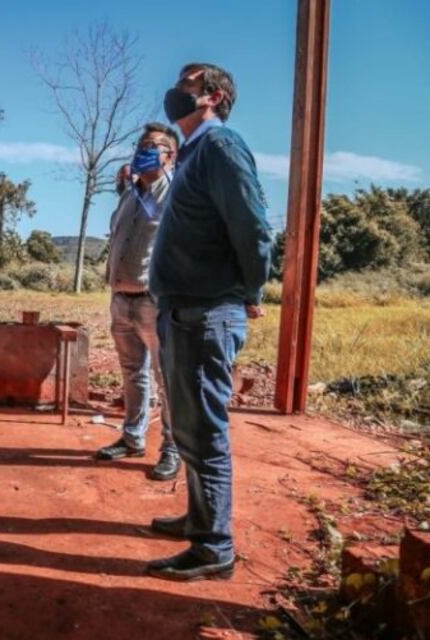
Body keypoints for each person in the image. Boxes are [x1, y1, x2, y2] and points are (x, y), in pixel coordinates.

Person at [144, 63, 272, 581]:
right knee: (191, 428)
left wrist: (250, 290)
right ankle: (200, 520)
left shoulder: (220, 148)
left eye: (188, 85)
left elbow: (253, 226)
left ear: (213, 97)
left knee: (204, 431)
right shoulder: (195, 151)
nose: (175, 92)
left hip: (205, 312)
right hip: (184, 311)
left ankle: (214, 546)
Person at [94, 123, 182, 482]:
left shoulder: (175, 194)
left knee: (167, 379)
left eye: (154, 146)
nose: (143, 150)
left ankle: (172, 448)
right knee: (133, 374)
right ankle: (132, 438)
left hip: (153, 303)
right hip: (121, 300)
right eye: (141, 144)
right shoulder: (130, 194)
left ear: (170, 156)